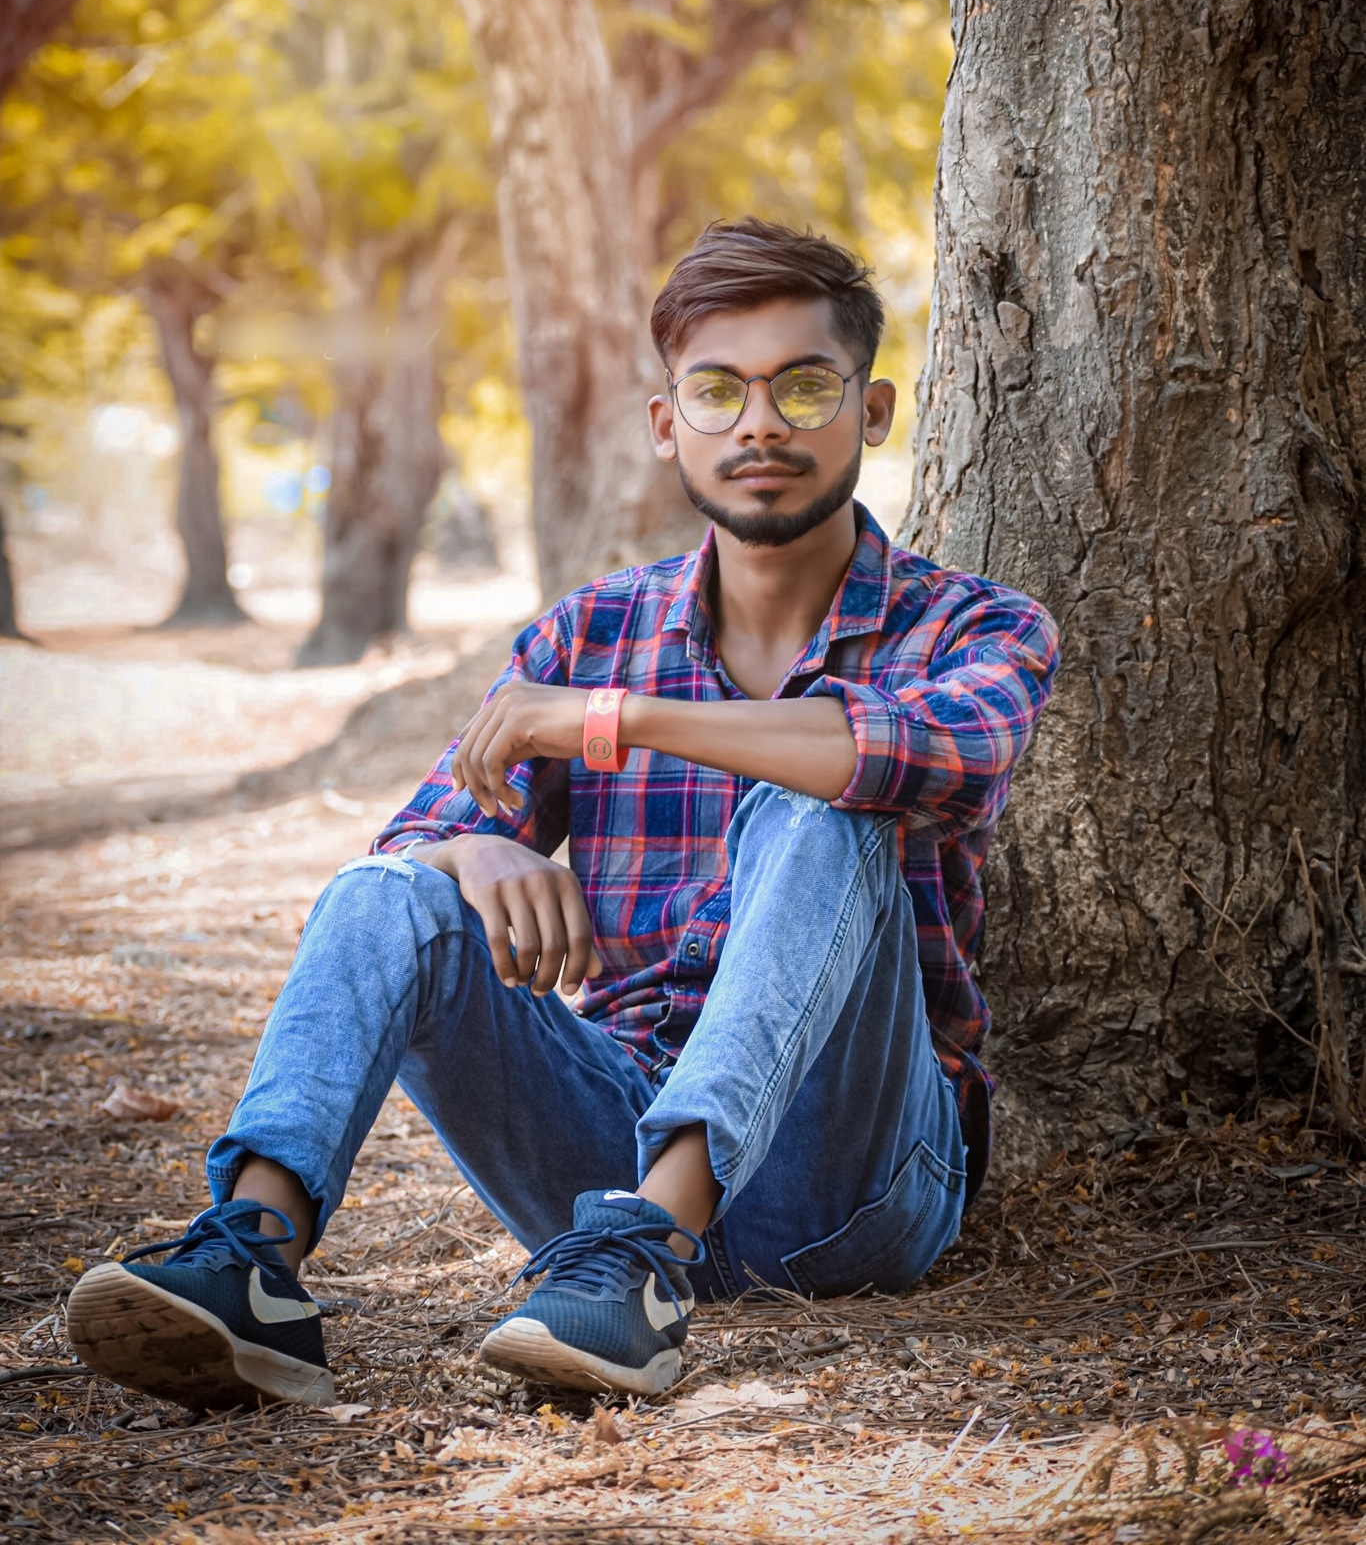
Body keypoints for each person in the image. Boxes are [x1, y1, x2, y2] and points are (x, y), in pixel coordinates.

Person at [68, 218, 1059, 1409]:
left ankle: (648, 1256)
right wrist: (474, 844)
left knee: (831, 799)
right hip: (603, 1136)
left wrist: (613, 719)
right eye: (717, 391)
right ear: (665, 422)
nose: (760, 424)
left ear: (874, 407)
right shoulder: (592, 630)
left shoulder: (977, 626)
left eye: (803, 386)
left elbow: (914, 757)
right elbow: (405, 862)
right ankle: (252, 1259)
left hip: (850, 1176)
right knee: (396, 892)